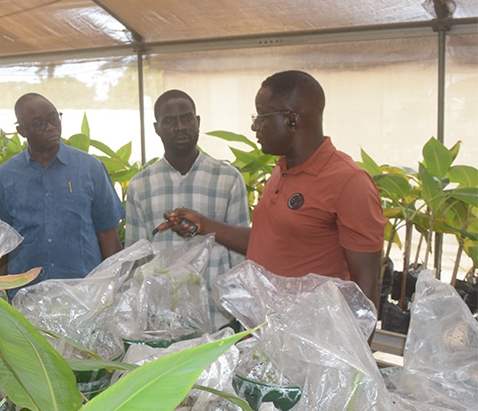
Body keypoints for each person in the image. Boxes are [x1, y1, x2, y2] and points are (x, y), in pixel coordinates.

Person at [160, 70, 386, 312]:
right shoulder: (282, 169)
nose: (254, 125)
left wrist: (355, 348)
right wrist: (203, 224)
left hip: (312, 335)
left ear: (292, 120)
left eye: (262, 115)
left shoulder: (349, 182)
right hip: (268, 330)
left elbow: (368, 286)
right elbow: (265, 241)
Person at [126, 89, 250, 331]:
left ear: (198, 122)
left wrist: (244, 315)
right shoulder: (141, 184)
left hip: (219, 319)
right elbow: (136, 259)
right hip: (160, 320)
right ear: (156, 128)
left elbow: (241, 257)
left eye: (186, 118)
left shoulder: (227, 178)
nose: (180, 126)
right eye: (169, 121)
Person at [0, 93, 125, 293]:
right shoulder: (5, 177)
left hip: (84, 294)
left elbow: (108, 236)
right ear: (22, 131)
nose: (50, 127)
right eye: (39, 123)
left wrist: (115, 290)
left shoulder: (90, 168)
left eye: (53, 118)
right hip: (27, 297)